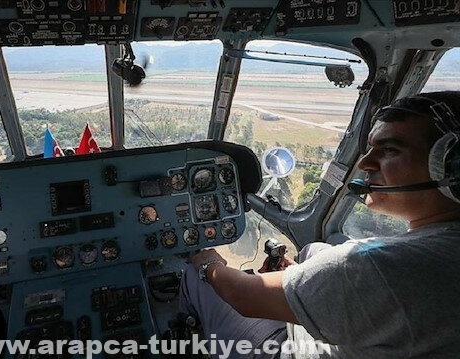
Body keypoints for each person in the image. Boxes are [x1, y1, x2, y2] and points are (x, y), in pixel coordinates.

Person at [182, 91, 460, 358]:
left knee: (193, 276)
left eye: (389, 150)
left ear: (453, 167)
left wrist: (209, 264)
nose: (365, 163)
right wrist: (309, 279)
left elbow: (240, 295)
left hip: (285, 349)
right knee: (313, 250)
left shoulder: (380, 268)